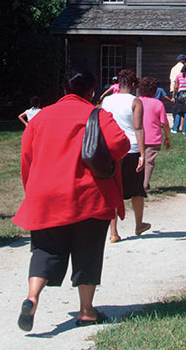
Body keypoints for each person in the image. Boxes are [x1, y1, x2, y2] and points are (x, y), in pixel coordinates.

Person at [13, 69, 130, 331]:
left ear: (64, 90)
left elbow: (27, 158)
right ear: (90, 92)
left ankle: (32, 297)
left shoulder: (40, 117)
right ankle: (87, 311)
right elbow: (121, 146)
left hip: (45, 195)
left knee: (44, 250)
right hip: (88, 196)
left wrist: (32, 190)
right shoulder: (97, 115)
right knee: (88, 252)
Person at [102, 69, 149, 243]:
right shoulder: (135, 102)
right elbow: (138, 128)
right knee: (137, 189)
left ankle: (114, 232)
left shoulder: (106, 101)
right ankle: (138, 224)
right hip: (132, 148)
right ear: (134, 85)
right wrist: (143, 155)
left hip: (111, 149)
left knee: (114, 190)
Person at [137, 77, 171, 190]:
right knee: (149, 162)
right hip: (153, 138)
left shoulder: (136, 101)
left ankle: (137, 184)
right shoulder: (158, 103)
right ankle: (144, 185)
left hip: (137, 137)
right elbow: (164, 123)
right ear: (154, 90)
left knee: (137, 160)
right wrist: (168, 137)